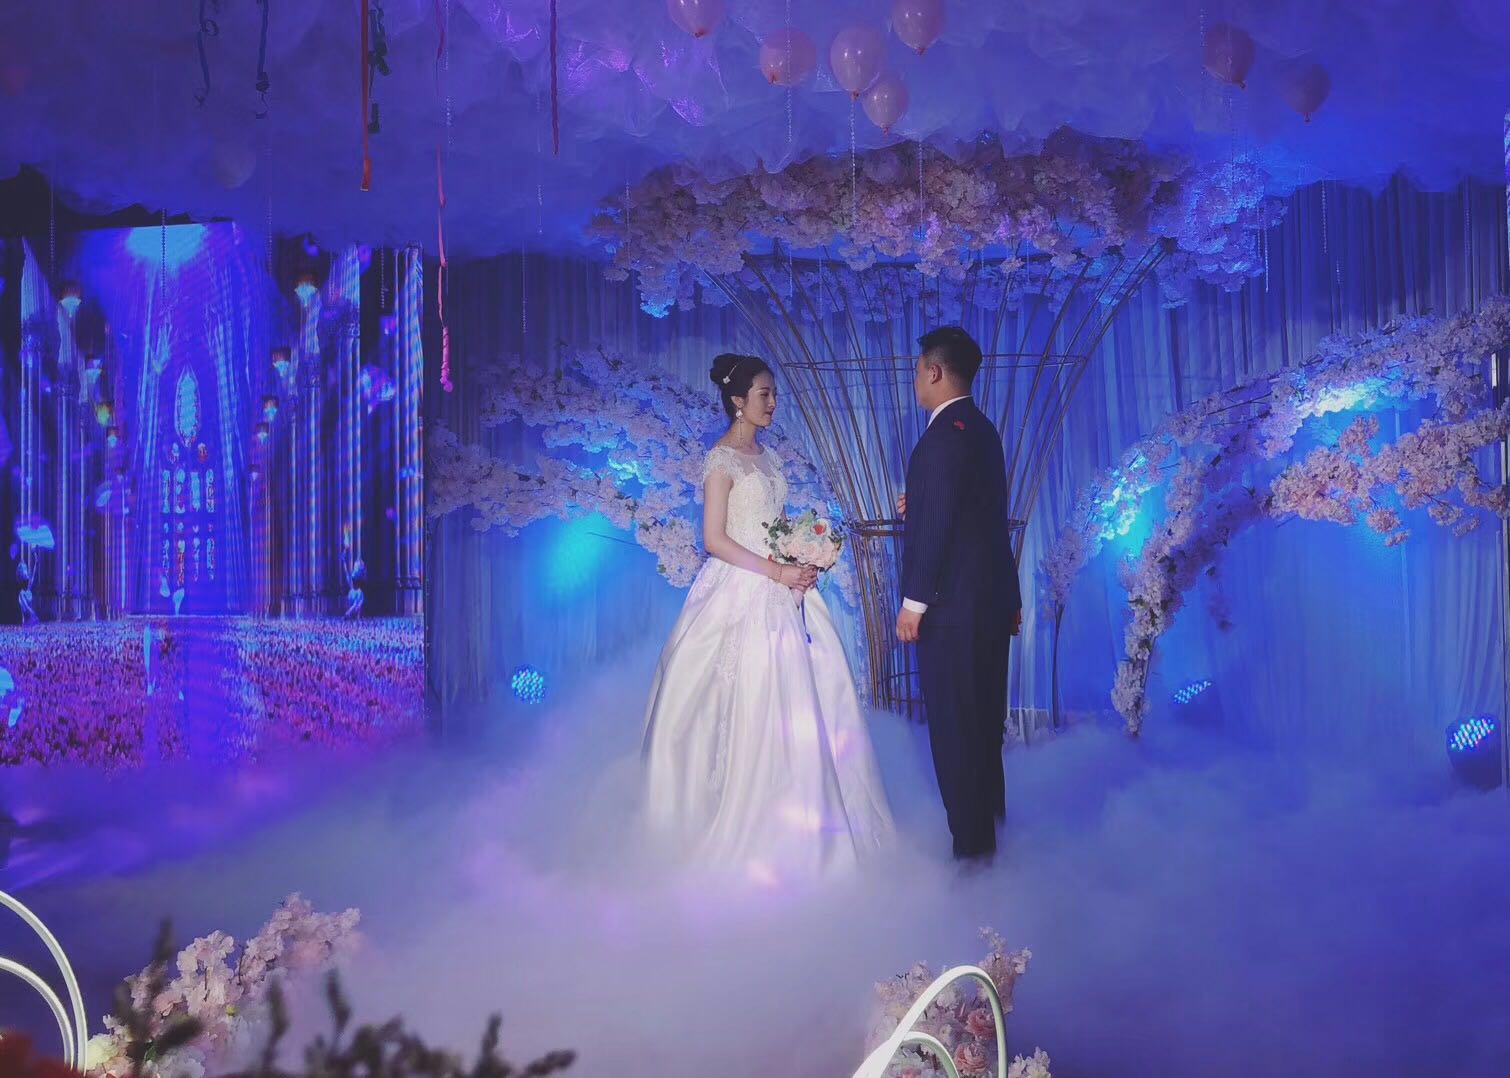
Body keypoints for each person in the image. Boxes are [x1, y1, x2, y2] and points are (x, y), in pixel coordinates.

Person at [641, 353, 894, 883]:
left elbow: (775, 527)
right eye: (764, 394)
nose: (773, 402)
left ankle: (811, 822)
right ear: (738, 400)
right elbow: (714, 539)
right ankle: (743, 826)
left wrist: (803, 556)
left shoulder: (770, 458)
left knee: (806, 703)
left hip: (783, 588)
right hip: (738, 587)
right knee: (744, 702)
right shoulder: (720, 461)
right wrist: (776, 571)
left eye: (774, 394)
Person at [895, 326, 1022, 867]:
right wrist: (1013, 594)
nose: (915, 379)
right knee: (984, 723)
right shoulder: (982, 430)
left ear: (934, 371)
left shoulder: (938, 440)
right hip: (991, 602)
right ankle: (993, 833)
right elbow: (985, 518)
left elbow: (937, 533)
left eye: (917, 368)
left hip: (951, 608)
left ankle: (972, 856)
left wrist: (913, 603)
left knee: (954, 729)